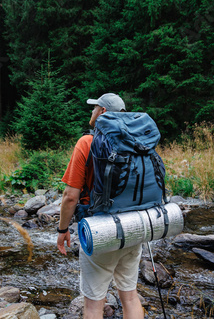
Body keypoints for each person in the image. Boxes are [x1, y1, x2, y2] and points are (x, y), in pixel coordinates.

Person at [57, 93, 144, 319]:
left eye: (94, 108)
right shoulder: (137, 141)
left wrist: (62, 229)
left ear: (103, 112)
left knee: (94, 306)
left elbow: (70, 197)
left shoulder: (87, 142)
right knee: (131, 297)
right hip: (135, 226)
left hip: (100, 230)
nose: (91, 112)